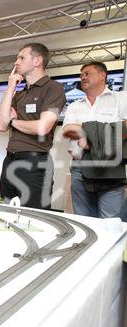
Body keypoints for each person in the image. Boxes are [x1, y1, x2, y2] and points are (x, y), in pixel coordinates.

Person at [0, 42, 66, 210]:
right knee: (7, 213)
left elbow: (43, 127)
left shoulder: (54, 88)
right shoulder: (19, 94)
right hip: (10, 160)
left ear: (37, 61)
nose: (16, 62)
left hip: (35, 163)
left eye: (21, 57)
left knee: (35, 218)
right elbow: (0, 125)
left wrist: (14, 121)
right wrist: (11, 86)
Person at [62, 61, 127, 218]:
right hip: (79, 168)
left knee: (110, 223)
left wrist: (87, 134)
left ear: (102, 75)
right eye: (81, 75)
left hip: (110, 167)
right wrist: (92, 133)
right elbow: (68, 129)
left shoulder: (121, 98)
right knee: (84, 221)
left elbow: (125, 127)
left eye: (87, 73)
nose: (82, 77)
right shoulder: (74, 105)